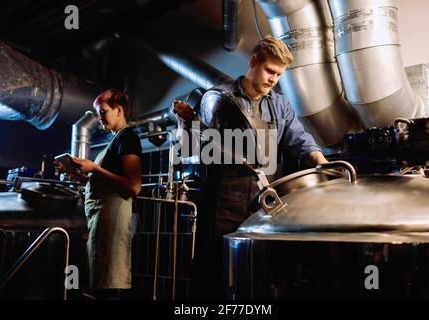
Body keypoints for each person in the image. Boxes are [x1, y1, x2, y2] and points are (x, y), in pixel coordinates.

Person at [174, 36, 328, 299]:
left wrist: (322, 162)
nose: (273, 80)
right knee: (215, 272)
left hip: (263, 201)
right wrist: (186, 124)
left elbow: (301, 141)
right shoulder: (220, 101)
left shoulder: (280, 106)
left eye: (279, 75)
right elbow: (194, 149)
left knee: (256, 274)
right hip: (223, 201)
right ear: (254, 61)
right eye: (270, 71)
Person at [55, 89, 142, 299]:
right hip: (102, 223)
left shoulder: (128, 137)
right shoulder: (115, 141)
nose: (99, 118)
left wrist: (94, 168)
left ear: (119, 110)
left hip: (113, 223)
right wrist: (79, 176)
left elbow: (133, 186)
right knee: (101, 285)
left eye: (103, 112)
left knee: (109, 287)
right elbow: (105, 184)